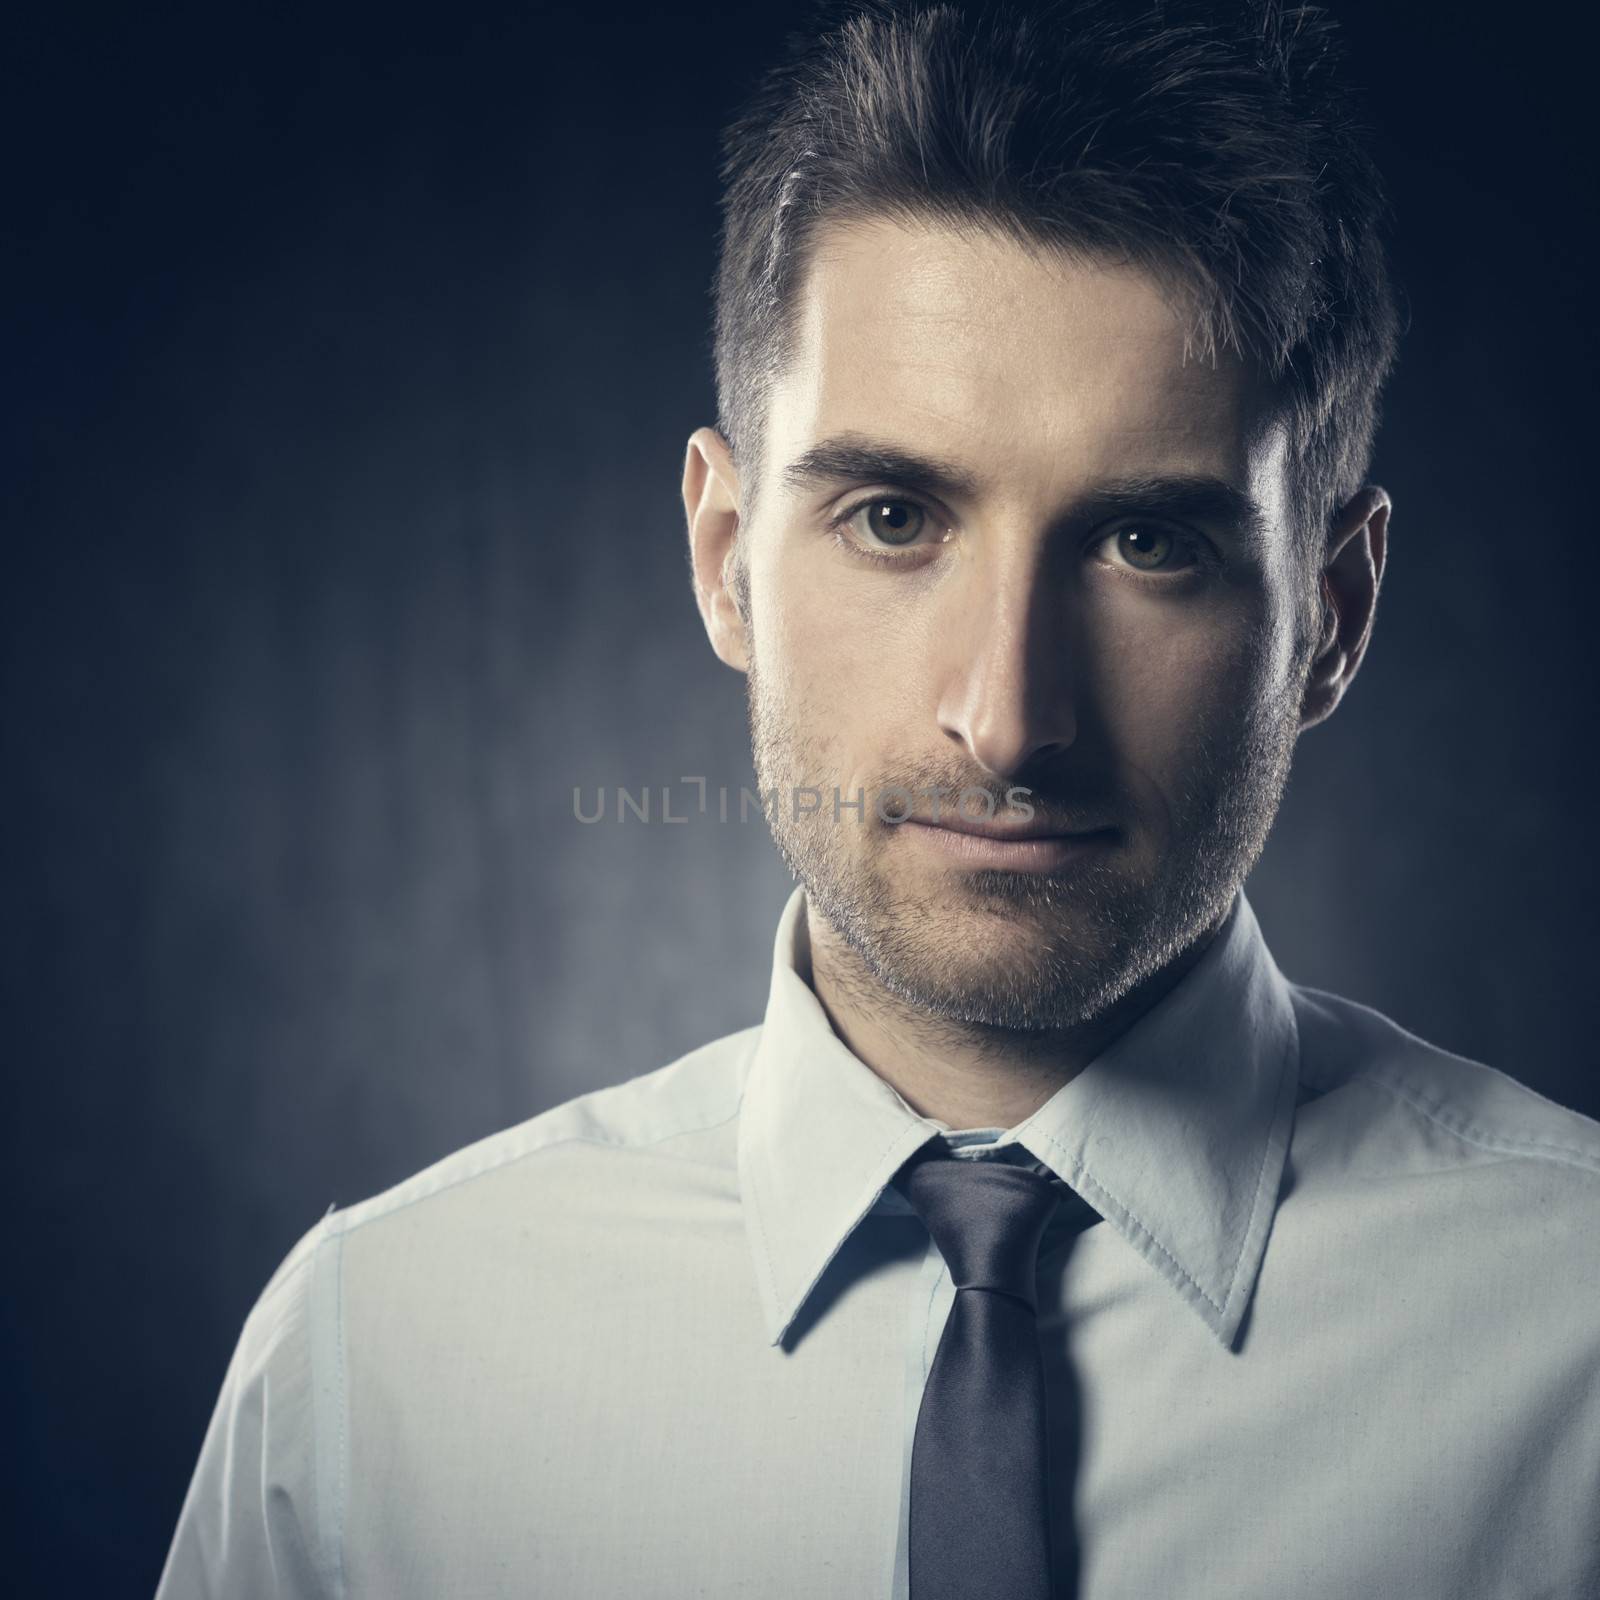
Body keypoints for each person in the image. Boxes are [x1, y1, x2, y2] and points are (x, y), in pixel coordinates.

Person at [155, 1, 1600, 1596]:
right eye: (896, 515)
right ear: (725, 562)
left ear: (1329, 612)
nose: (1007, 719)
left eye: (1147, 543)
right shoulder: (374, 1371)